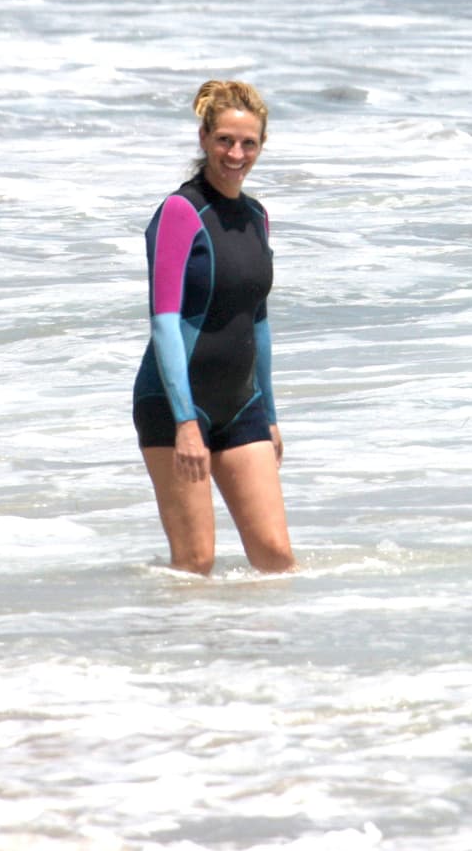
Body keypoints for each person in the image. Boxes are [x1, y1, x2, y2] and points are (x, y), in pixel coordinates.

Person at [132, 80, 295, 575]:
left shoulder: (255, 216)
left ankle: (256, 652)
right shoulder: (181, 212)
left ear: (262, 146)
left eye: (249, 143)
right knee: (195, 564)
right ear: (203, 139)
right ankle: (178, 651)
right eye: (225, 139)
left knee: (276, 558)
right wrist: (184, 423)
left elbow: (257, 319)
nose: (236, 153)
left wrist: (268, 411)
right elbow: (163, 321)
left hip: (240, 406)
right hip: (174, 406)